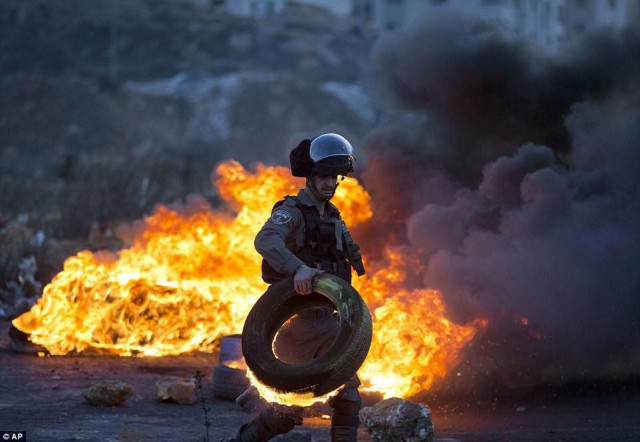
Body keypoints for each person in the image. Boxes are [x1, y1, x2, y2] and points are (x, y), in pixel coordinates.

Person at [226, 133, 366, 442]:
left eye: (335, 177)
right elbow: (265, 240)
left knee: (349, 393)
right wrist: (297, 268)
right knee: (288, 411)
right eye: (323, 176)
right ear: (310, 176)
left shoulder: (333, 216)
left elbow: (343, 248)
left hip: (329, 320)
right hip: (296, 324)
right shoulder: (291, 211)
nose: (330, 183)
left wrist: (353, 261)